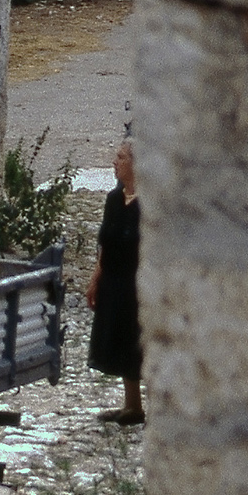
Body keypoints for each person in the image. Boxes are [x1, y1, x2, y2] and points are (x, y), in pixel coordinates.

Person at [86, 140, 144, 424]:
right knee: (121, 339)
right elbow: (105, 244)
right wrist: (96, 278)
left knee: (142, 342)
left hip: (140, 284)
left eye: (120, 157)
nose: (114, 162)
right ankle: (132, 406)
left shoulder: (150, 203)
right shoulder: (114, 199)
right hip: (115, 281)